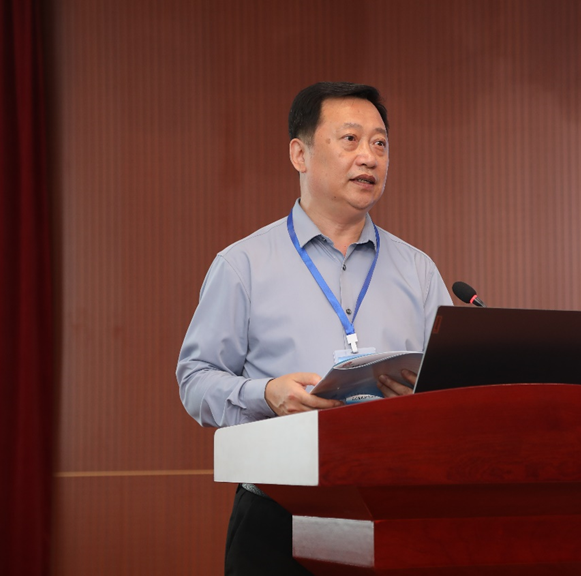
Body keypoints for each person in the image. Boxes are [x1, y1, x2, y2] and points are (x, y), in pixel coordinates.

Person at [176, 82, 452, 575]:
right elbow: (195, 380)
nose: (369, 156)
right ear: (299, 155)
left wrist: (422, 397)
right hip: (277, 518)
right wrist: (267, 394)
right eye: (350, 139)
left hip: (396, 515)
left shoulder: (418, 271)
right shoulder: (244, 265)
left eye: (380, 143)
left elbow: (455, 390)